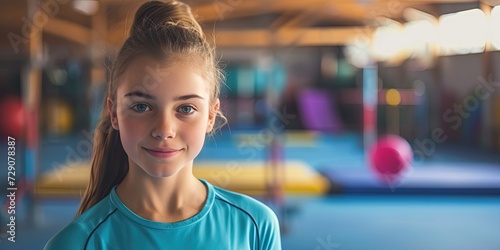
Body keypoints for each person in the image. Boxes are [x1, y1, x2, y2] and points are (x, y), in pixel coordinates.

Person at [44, 1, 281, 249]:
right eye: (142, 107)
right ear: (113, 112)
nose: (164, 129)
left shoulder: (255, 227)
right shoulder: (75, 243)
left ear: (211, 116)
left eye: (186, 109)